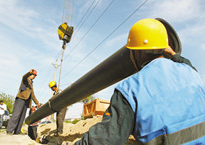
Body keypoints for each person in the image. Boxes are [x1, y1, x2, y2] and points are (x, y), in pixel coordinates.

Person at [74, 19, 205, 144]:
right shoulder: (190, 72)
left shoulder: (130, 89)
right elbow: (186, 63)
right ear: (165, 49)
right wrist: (172, 53)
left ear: (137, 53)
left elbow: (105, 140)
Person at [7, 69, 40, 135]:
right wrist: (29, 72)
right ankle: (10, 130)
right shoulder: (25, 80)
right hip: (21, 99)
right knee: (16, 114)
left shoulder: (31, 83)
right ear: (31, 74)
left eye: (35, 76)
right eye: (34, 75)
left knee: (22, 116)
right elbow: (24, 77)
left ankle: (17, 131)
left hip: (26, 101)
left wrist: (37, 103)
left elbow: (32, 95)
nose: (34, 77)